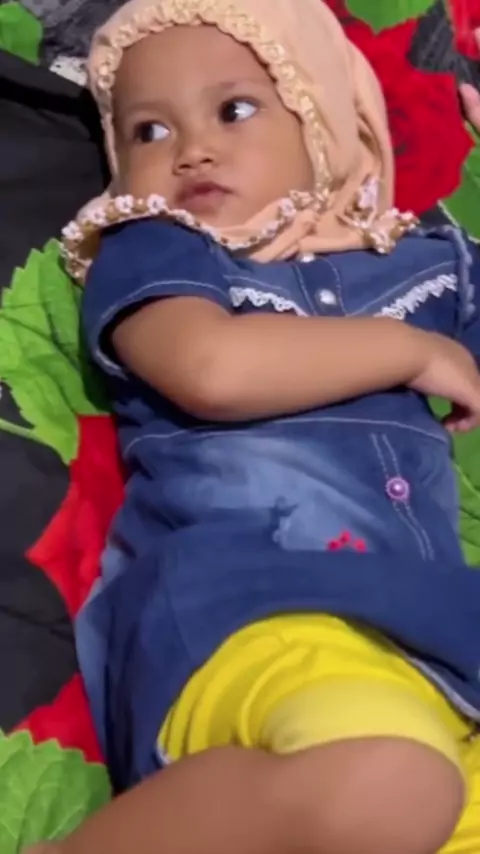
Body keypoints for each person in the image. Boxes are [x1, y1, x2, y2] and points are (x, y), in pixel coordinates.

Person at [27, 1, 480, 852]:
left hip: (441, 645)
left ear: (326, 121)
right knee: (390, 783)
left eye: (234, 110)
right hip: (252, 610)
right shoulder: (163, 251)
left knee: (413, 794)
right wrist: (410, 351)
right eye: (150, 131)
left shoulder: (428, 267)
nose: (192, 150)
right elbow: (210, 369)